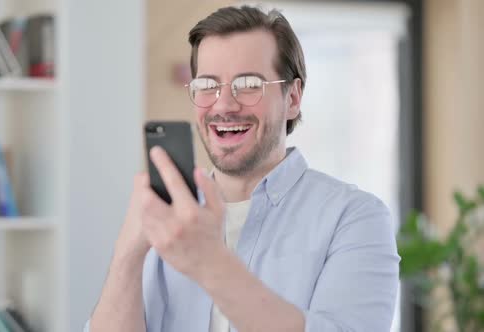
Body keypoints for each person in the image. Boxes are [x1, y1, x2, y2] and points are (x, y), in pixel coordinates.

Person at [86, 5, 399, 332]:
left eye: (248, 84)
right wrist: (128, 251)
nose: (223, 105)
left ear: (292, 97)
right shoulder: (166, 218)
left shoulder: (355, 218)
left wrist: (209, 261)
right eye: (207, 85)